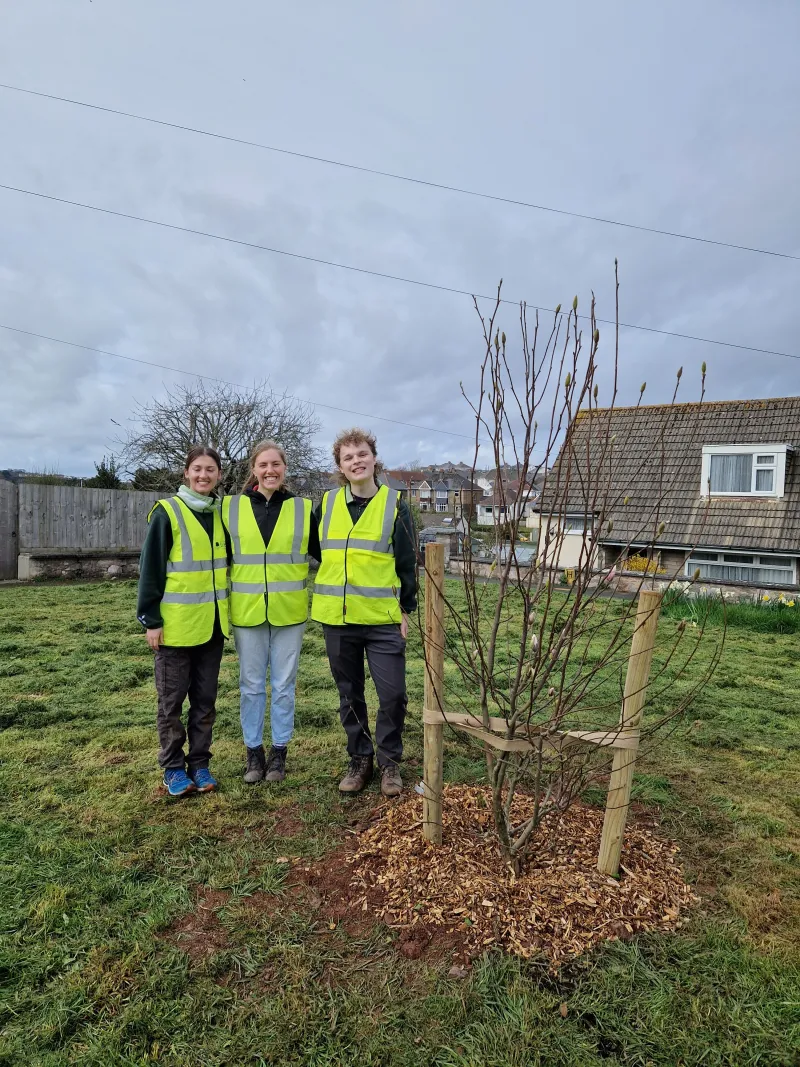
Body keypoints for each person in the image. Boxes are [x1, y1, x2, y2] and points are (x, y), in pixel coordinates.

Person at [311, 428, 417, 797]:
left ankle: (389, 762)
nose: (356, 461)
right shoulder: (324, 504)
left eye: (362, 454)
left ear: (374, 457)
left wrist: (407, 609)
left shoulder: (396, 505)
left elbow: (407, 562)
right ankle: (360, 758)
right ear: (340, 465)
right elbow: (315, 549)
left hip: (383, 619)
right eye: (347, 457)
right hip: (338, 619)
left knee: (393, 695)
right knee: (349, 694)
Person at [222, 440, 320, 785]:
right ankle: (254, 753)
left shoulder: (303, 509)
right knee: (250, 685)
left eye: (276, 464)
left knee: (283, 685)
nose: (270, 471)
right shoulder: (229, 508)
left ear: (284, 468)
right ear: (254, 469)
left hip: (289, 613)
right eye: (263, 465)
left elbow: (328, 555)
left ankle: (279, 754)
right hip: (247, 613)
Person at [137, 446, 229, 798]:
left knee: (205, 702)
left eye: (210, 470)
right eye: (197, 469)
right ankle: (174, 768)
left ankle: (200, 764)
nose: (203, 475)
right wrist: (151, 619)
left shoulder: (221, 513)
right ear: (186, 473)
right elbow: (151, 569)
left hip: (213, 627)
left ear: (218, 474)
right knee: (171, 704)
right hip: (175, 629)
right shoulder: (168, 513)